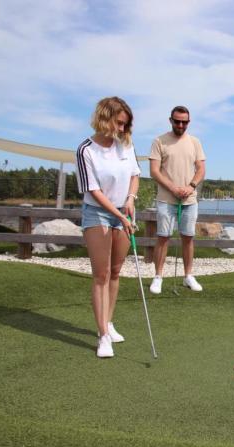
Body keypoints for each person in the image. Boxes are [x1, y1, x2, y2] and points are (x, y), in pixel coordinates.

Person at [75, 96, 141, 358]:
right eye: (119, 123)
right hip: (98, 214)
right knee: (101, 275)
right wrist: (120, 215)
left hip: (123, 212)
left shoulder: (126, 144)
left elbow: (135, 175)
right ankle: (102, 336)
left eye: (126, 125)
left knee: (115, 271)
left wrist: (131, 200)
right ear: (104, 118)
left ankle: (109, 322)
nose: (122, 129)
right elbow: (94, 190)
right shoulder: (85, 150)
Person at [148, 106, 207, 294]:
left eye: (184, 122)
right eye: (177, 121)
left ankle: (188, 276)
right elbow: (154, 171)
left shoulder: (195, 142)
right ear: (170, 120)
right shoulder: (159, 141)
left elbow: (201, 169)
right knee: (163, 238)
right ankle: (158, 277)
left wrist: (190, 187)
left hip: (189, 200)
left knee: (188, 238)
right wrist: (173, 188)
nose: (181, 125)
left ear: (188, 122)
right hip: (166, 199)